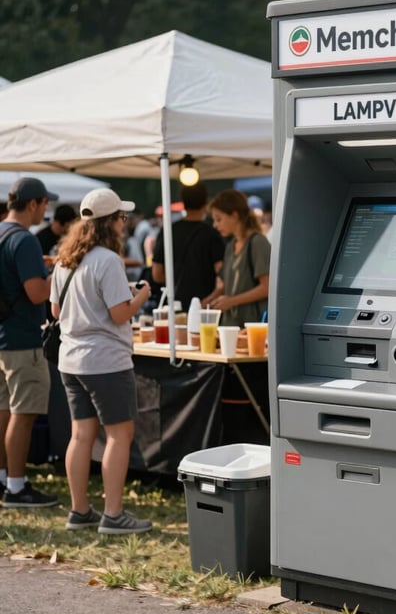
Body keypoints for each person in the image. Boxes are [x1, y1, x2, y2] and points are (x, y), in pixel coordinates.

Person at [50, 188, 152, 534]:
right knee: (119, 436)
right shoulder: (108, 260)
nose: (125, 223)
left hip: (71, 359)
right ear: (112, 221)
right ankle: (113, 514)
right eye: (122, 217)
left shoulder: (66, 259)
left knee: (80, 436)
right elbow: (120, 314)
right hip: (105, 360)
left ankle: (80, 511)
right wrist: (141, 296)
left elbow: (56, 310)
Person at [0, 177, 59, 507]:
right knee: (23, 414)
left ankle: (4, 478)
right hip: (22, 338)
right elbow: (37, 293)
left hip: (3, 336)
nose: (45, 211)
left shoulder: (2, 232)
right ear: (34, 203)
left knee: (3, 411)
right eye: (45, 204)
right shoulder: (25, 239)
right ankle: (17, 487)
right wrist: (58, 273)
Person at [151, 183, 224, 311]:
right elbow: (222, 273)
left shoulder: (168, 231)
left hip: (174, 304)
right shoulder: (212, 234)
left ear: (183, 203)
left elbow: (157, 274)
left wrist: (176, 279)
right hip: (206, 306)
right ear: (205, 204)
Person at [208, 189, 270, 326]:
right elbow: (229, 286)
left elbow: (267, 287)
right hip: (230, 326)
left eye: (219, 219)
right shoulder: (231, 246)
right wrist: (210, 299)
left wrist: (231, 301)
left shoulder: (257, 243)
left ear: (234, 215)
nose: (215, 225)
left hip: (251, 327)